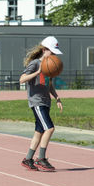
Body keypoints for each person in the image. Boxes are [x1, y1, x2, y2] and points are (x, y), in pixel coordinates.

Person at [19, 36, 63, 172]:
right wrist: (37, 72)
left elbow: (49, 84)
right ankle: (41, 158)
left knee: (39, 131)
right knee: (50, 128)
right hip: (36, 101)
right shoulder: (35, 64)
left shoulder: (49, 65)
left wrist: (57, 97)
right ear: (44, 50)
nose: (54, 54)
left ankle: (28, 159)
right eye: (52, 51)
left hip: (46, 101)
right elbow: (21, 79)